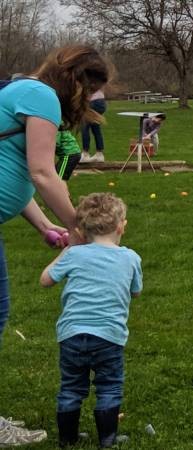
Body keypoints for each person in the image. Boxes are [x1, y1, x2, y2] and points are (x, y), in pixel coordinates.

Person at [0, 45, 107, 446]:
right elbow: (43, 173)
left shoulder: (25, 89)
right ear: (77, 79)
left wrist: (45, 225)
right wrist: (78, 230)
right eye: (91, 89)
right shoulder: (41, 95)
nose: (90, 100)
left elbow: (13, 172)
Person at [39, 193, 141, 449]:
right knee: (109, 386)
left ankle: (67, 439)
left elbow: (45, 280)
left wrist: (69, 249)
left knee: (71, 387)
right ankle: (108, 439)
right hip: (109, 336)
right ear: (121, 227)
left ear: (82, 231)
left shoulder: (74, 255)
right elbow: (136, 291)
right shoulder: (130, 258)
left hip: (71, 335)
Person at [80, 89, 105, 162]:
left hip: (92, 102)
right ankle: (99, 154)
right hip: (101, 102)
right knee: (96, 128)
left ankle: (85, 154)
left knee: (84, 127)